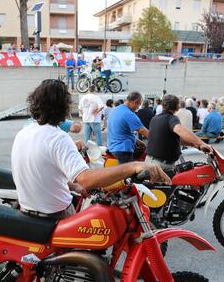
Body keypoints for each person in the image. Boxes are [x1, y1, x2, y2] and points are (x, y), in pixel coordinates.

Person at [11, 79, 170, 219]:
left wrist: (72, 186)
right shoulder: (58, 137)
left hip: (28, 211)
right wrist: (134, 166)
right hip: (56, 216)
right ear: (63, 106)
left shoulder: (24, 132)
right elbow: (87, 180)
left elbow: (43, 173)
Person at [146, 95, 211, 169]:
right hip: (161, 165)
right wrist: (201, 143)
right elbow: (179, 130)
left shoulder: (155, 118)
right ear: (177, 106)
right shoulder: (172, 118)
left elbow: (174, 139)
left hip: (152, 162)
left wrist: (194, 144)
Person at [107, 91, 149, 164]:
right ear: (135, 102)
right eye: (138, 105)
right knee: (131, 172)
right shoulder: (129, 114)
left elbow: (120, 130)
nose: (138, 108)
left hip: (113, 147)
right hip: (122, 150)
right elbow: (143, 131)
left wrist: (136, 140)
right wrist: (157, 141)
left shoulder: (116, 109)